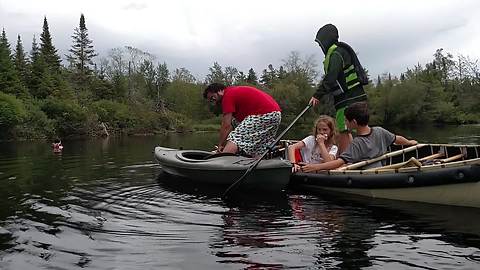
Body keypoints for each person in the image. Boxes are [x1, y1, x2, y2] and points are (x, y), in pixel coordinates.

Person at [301, 102, 417, 172]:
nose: (345, 123)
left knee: (346, 164)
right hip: (382, 169)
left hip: (368, 174)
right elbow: (398, 139)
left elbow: (338, 163)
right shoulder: (380, 131)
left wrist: (315, 167)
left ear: (354, 122)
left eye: (346, 120)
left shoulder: (357, 143)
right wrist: (410, 142)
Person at [309, 23, 368, 155]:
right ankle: (353, 156)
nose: (320, 47)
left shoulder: (336, 54)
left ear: (326, 40)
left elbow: (331, 77)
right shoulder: (339, 52)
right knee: (347, 130)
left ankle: (343, 162)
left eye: (320, 44)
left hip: (348, 99)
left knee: (343, 130)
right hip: (354, 97)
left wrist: (317, 95)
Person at [203, 83, 282, 157]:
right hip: (275, 115)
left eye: (213, 98)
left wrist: (220, 145)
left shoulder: (227, 96)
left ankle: (225, 159)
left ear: (220, 91)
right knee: (260, 144)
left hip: (264, 114)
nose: (214, 101)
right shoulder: (233, 92)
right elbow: (230, 126)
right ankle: (258, 158)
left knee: (235, 138)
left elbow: (226, 126)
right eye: (211, 101)